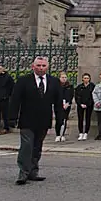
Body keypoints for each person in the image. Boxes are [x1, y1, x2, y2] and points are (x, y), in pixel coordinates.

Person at [8, 57, 64, 185]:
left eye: (43, 65)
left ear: (47, 67)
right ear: (33, 66)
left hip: (44, 119)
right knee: (26, 146)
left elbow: (58, 102)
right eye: (38, 65)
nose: (41, 68)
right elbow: (15, 100)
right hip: (27, 119)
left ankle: (33, 171)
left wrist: (60, 119)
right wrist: (12, 117)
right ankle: (23, 172)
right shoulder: (23, 81)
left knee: (37, 146)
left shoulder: (54, 82)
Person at [0, 65, 15, 135]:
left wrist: (7, 95)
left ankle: (6, 128)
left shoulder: (8, 77)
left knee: (5, 114)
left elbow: (12, 87)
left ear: (3, 69)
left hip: (4, 98)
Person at [74, 73, 96, 141]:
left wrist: (88, 104)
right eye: (85, 78)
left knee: (87, 118)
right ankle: (80, 133)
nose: (86, 79)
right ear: (82, 79)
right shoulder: (79, 87)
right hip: (80, 105)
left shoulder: (92, 86)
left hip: (89, 105)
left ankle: (86, 133)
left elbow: (92, 96)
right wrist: (80, 104)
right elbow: (77, 96)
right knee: (80, 119)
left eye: (87, 78)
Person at [55, 72, 74, 142]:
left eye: (65, 77)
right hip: (58, 105)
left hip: (66, 105)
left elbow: (71, 95)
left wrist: (68, 103)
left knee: (64, 119)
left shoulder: (69, 86)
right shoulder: (56, 86)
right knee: (58, 119)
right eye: (62, 77)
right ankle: (57, 134)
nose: (64, 79)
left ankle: (62, 134)